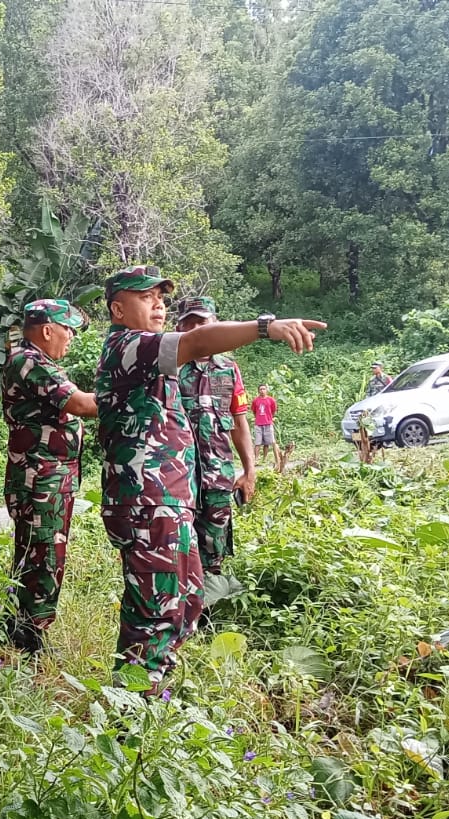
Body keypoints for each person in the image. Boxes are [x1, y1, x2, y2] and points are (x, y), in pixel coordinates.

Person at [95, 265, 323, 695]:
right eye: (147, 297)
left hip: (171, 499)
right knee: (157, 610)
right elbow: (198, 341)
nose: (159, 303)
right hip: (147, 502)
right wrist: (266, 327)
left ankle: (149, 694)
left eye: (162, 296)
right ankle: (128, 714)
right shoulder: (129, 345)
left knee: (186, 600)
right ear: (118, 309)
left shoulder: (157, 357)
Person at [0, 298, 97, 654]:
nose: (70, 337)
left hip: (46, 475)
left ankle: (16, 626)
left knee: (34, 552)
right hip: (41, 478)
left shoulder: (34, 360)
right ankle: (30, 635)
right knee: (44, 554)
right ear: (46, 330)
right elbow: (83, 405)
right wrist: (126, 394)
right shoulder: (30, 361)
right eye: (67, 329)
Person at [174, 297, 256, 576]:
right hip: (177, 477)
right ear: (180, 326)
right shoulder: (169, 368)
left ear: (216, 325)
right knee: (179, 549)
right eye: (191, 322)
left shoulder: (229, 369)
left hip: (218, 475)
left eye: (203, 322)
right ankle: (182, 613)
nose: (198, 328)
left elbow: (239, 422)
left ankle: (210, 613)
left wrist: (249, 470)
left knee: (214, 550)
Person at [250, 385, 278, 462]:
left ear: (266, 390)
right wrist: (258, 417)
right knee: (257, 442)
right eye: (260, 389)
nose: (262, 390)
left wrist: (270, 418)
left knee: (267, 442)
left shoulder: (271, 400)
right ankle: (256, 459)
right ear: (258, 391)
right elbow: (254, 411)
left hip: (268, 423)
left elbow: (273, 410)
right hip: (258, 424)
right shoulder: (255, 400)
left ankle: (264, 459)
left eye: (264, 389)